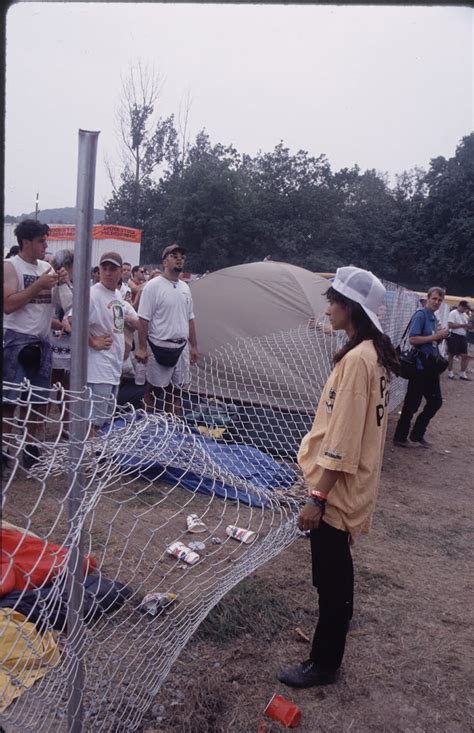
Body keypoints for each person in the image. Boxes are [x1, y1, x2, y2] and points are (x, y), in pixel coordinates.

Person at [278, 266, 399, 689]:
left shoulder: (359, 360)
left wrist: (317, 497)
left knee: (331, 576)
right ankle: (338, 622)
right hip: (353, 483)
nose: (327, 308)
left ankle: (324, 662)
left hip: (339, 487)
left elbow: (342, 440)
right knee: (334, 567)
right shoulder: (371, 353)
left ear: (350, 308)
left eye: (332, 301)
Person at [3, 220, 71, 466]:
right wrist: (38, 285)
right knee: (9, 402)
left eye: (46, 240)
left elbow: (66, 305)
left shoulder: (46, 267)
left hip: (43, 342)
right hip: (16, 341)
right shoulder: (11, 266)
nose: (46, 245)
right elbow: (8, 305)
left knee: (39, 401)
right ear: (26, 242)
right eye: (41, 241)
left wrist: (63, 283)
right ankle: (4, 451)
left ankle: (31, 451)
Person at [79, 252, 138, 433]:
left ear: (121, 272)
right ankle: (88, 459)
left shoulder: (117, 295)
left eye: (112, 269)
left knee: (102, 420)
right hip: (98, 370)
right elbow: (71, 322)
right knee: (93, 422)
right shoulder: (93, 295)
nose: (108, 273)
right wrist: (91, 341)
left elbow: (122, 326)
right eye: (104, 269)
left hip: (113, 368)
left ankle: (94, 455)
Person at [135, 244, 198, 414]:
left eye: (182, 257)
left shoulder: (185, 287)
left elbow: (190, 318)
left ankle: (174, 428)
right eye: (174, 255)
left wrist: (194, 346)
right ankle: (147, 427)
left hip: (181, 347)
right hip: (158, 345)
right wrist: (142, 348)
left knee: (177, 392)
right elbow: (143, 319)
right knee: (153, 390)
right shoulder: (153, 286)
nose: (179, 259)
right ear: (165, 261)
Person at [393, 287, 449, 448]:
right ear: (428, 298)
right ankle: (400, 437)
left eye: (440, 300)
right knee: (412, 403)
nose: (437, 302)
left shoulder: (432, 317)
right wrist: (436, 336)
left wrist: (440, 338)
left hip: (430, 366)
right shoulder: (421, 315)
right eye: (434, 299)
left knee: (435, 401)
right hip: (419, 366)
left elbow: (430, 341)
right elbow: (413, 339)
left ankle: (417, 434)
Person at [447, 300, 471, 381]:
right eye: (464, 308)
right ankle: (450, 372)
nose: (465, 310)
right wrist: (463, 325)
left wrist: (468, 327)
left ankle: (462, 373)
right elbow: (450, 325)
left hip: (462, 336)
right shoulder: (453, 313)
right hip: (454, 335)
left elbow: (466, 326)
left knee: (465, 355)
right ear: (460, 306)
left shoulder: (465, 315)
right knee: (451, 354)